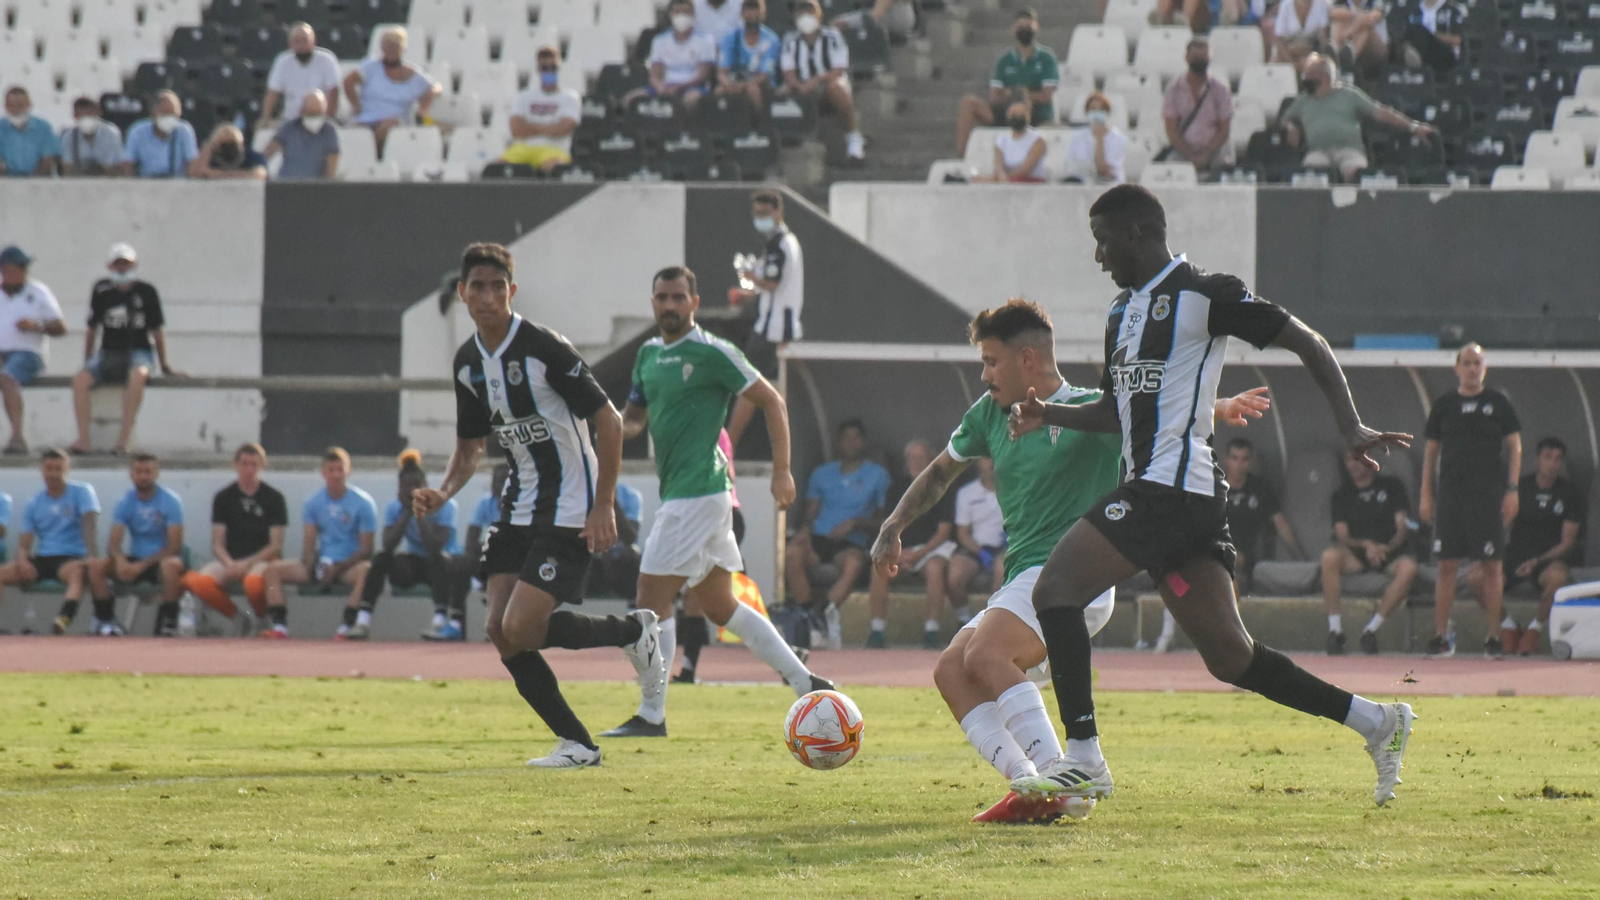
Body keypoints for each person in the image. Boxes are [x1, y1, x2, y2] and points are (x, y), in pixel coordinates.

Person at [1006, 184, 1416, 808]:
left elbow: (1308, 340)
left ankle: (1083, 758)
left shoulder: (1204, 295)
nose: (1098, 258)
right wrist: (1049, 414)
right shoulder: (1121, 313)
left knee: (1055, 591)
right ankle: (1378, 722)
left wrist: (1350, 426)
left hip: (1173, 489)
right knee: (1231, 657)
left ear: (1139, 234)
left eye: (1104, 242)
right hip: (1175, 498)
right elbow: (1117, 412)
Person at [872, 298, 1272, 823]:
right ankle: (1031, 787)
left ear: (1029, 360)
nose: (985, 374)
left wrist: (1216, 406)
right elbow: (941, 473)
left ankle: (1065, 779)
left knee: (986, 655)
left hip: (1073, 578)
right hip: (1025, 578)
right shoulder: (988, 414)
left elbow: (1154, 411)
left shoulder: (1093, 410)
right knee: (951, 669)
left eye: (992, 361)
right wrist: (893, 524)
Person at [411, 242, 664, 770]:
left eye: (496, 287)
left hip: (570, 507)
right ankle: (579, 744)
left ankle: (633, 631)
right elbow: (471, 446)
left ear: (512, 292)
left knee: (523, 628)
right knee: (500, 632)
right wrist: (444, 490)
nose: (486, 296)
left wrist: (603, 506)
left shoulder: (544, 347)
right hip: (517, 506)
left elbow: (610, 422)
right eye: (476, 287)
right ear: (462, 293)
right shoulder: (467, 365)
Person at [600, 265, 831, 739]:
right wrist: (609, 429)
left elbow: (772, 400)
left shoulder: (712, 352)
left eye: (678, 297)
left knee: (649, 601)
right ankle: (804, 679)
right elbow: (636, 418)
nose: (669, 305)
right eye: (661, 297)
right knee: (721, 604)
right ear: (653, 303)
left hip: (699, 494)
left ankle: (651, 714)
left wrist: (782, 469)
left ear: (694, 302)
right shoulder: (646, 354)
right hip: (687, 495)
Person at [1419, 342, 1521, 657]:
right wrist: (1426, 494)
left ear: (1484, 367)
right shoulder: (1445, 405)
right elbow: (1431, 451)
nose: (1472, 369)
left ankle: (1493, 637)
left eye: (1477, 363)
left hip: (1487, 498)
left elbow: (1515, 446)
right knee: (1447, 565)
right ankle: (1441, 636)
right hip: (1451, 496)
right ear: (1457, 368)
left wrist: (1512, 489)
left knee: (1491, 566)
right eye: (1467, 363)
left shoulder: (1498, 402)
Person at [69, 243, 183, 456]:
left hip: (138, 349)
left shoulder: (146, 291)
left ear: (134, 265)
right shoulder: (102, 290)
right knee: (80, 380)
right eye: (118, 263)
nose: (122, 268)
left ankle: (123, 440)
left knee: (137, 376)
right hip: (109, 350)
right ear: (110, 266)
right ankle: (84, 439)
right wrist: (87, 359)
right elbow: (92, 328)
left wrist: (164, 363)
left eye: (126, 263)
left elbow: (157, 329)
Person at [786, 419, 890, 648]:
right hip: (820, 537)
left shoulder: (877, 475)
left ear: (863, 442)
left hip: (850, 541)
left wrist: (855, 522)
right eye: (846, 438)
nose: (851, 443)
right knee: (792, 553)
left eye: (856, 438)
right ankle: (807, 616)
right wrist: (804, 530)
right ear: (838, 443)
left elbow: (885, 518)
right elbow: (811, 511)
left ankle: (822, 614)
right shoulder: (822, 474)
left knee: (853, 564)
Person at [259, 447, 377, 640]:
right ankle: (280, 627)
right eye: (331, 470)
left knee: (367, 570)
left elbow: (366, 548)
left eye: (340, 469)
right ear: (323, 472)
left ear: (349, 471)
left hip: (349, 566)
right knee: (271, 570)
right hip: (322, 563)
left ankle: (346, 628)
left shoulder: (363, 503)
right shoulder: (313, 502)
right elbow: (309, 542)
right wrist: (312, 566)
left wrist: (338, 569)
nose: (336, 475)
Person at [180, 443, 288, 630]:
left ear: (262, 466)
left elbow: (275, 544)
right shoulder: (223, 497)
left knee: (253, 583)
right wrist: (229, 563)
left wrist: (247, 564)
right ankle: (239, 618)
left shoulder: (274, 498)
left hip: (261, 560)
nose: (249, 469)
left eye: (254, 464)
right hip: (230, 559)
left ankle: (262, 620)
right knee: (198, 582)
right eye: (244, 464)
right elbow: (217, 542)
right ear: (235, 465)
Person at [1493, 437, 1585, 656]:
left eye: (1557, 459)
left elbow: (1567, 542)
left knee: (1558, 579)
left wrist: (1537, 561)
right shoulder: (1519, 488)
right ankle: (1508, 625)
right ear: (1537, 459)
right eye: (1547, 457)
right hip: (1515, 555)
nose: (1552, 463)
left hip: (1547, 559)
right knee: (1477, 577)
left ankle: (1534, 630)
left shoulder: (1569, 493)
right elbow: (1502, 524)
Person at [0, 450, 107, 634]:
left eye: (58, 468)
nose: (53, 474)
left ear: (66, 469)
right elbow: (25, 540)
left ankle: (64, 618)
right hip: (43, 557)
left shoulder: (82, 492)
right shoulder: (35, 501)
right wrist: (23, 560)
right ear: (42, 470)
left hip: (70, 557)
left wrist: (92, 555)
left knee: (77, 574)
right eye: (49, 468)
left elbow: (89, 525)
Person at [865, 438, 958, 649]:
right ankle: (877, 630)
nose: (915, 461)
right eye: (911, 457)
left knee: (935, 568)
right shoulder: (895, 487)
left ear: (931, 459)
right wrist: (898, 552)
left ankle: (931, 631)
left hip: (931, 549)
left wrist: (920, 553)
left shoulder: (943, 485)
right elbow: (888, 525)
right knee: (877, 568)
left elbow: (944, 531)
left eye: (920, 457)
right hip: (901, 549)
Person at [1284, 54, 1435, 182]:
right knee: (1310, 176)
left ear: (1326, 77)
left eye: (1311, 76)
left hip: (1349, 151)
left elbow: (1381, 113)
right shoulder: (1303, 100)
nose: (1306, 79)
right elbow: (1286, 118)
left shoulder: (1350, 95)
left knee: (1356, 174)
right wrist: (1291, 127)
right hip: (1318, 151)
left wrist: (1413, 127)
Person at [1321, 454, 1417, 655]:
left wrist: (1386, 548)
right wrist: (1366, 545)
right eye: (1348, 460)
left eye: (1358, 459)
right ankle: (1335, 631)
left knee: (1409, 568)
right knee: (1329, 557)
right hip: (1358, 554)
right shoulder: (1341, 494)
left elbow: (1403, 527)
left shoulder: (1392, 486)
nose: (1353, 465)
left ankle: (1371, 630)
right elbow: (1342, 535)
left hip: (1390, 551)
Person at [360, 449, 457, 640]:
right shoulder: (394, 507)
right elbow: (388, 545)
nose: (413, 491)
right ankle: (362, 620)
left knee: (438, 560)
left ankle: (439, 618)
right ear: (399, 489)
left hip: (443, 566)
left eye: (417, 485)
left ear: (427, 486)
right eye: (407, 486)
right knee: (381, 558)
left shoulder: (445, 505)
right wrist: (406, 512)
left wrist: (420, 513)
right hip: (413, 565)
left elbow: (435, 546)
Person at [89, 452, 187, 636]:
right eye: (138, 471)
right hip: (134, 559)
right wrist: (120, 561)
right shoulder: (125, 502)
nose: (143, 476)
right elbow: (113, 544)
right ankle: (107, 620)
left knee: (171, 566)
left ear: (157, 474)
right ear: (131, 474)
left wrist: (141, 566)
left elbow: (174, 546)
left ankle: (170, 623)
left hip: (159, 561)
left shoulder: (171, 501)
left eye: (147, 472)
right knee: (96, 566)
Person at [954, 9, 1059, 156]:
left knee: (1023, 100)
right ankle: (961, 156)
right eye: (1020, 27)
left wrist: (1023, 95)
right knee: (968, 103)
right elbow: (994, 96)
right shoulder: (1005, 60)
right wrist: (1011, 96)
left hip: (1037, 113)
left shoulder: (1047, 58)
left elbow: (1046, 95)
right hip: (1006, 111)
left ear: (1037, 29)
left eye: (1028, 26)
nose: (1024, 30)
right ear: (1013, 30)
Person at [0, 245, 67, 456]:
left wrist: (36, 327)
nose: (22, 271)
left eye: (23, 267)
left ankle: (17, 436)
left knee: (7, 377)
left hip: (28, 353)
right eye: (17, 267)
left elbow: (61, 328)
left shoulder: (38, 292)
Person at [435, 462, 512, 641]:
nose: (498, 487)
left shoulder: (525, 505)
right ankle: (455, 623)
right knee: (461, 564)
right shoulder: (486, 503)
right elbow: (471, 541)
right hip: (493, 556)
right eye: (496, 481)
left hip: (518, 562)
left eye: (504, 481)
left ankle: (499, 622)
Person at [781, 0, 866, 161]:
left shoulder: (832, 36)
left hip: (827, 84)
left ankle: (853, 137)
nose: (806, 17)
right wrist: (798, 85)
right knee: (782, 92)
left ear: (819, 16)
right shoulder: (790, 39)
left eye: (810, 13)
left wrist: (816, 80)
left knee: (837, 87)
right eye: (802, 13)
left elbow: (839, 69)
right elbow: (788, 71)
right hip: (801, 86)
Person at [1222, 437, 1304, 596]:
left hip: (1248, 555)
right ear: (1226, 461)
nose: (1239, 465)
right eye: (1235, 458)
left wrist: (1299, 557)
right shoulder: (1215, 488)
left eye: (1244, 459)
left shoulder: (1260, 488)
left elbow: (1280, 523)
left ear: (1250, 463)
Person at [343, 26, 442, 149]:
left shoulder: (412, 74)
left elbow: (434, 87)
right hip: (366, 119)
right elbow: (348, 81)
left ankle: (368, 147)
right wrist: (355, 105)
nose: (390, 49)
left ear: (402, 47)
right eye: (387, 45)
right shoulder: (371, 67)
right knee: (353, 131)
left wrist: (424, 107)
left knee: (389, 126)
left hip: (394, 124)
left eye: (394, 45)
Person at [1162, 37, 1235, 177]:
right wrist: (1191, 155)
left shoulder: (1220, 89)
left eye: (1203, 58)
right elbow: (1171, 129)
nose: (1200, 62)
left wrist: (1206, 154)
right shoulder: (1174, 89)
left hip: (1215, 150)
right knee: (1170, 171)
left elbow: (1224, 129)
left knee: (1225, 166)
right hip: (1183, 151)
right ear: (1186, 58)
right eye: (1196, 57)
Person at [502, 46, 581, 173]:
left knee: (554, 168)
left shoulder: (570, 97)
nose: (549, 72)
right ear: (538, 69)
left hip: (554, 149)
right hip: (523, 148)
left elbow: (565, 128)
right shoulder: (524, 96)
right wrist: (550, 127)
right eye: (545, 68)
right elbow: (516, 129)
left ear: (559, 68)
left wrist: (531, 127)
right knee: (497, 169)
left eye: (553, 68)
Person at [633, 0, 720, 112]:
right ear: (670, 14)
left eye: (686, 12)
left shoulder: (706, 41)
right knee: (633, 99)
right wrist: (661, 87)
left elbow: (703, 75)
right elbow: (655, 74)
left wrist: (679, 87)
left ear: (693, 15)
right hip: (666, 85)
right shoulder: (660, 40)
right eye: (677, 12)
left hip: (692, 87)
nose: (681, 16)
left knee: (691, 100)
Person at [261, 22, 343, 132]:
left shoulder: (327, 60)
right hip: (290, 120)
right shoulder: (283, 61)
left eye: (304, 40)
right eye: (296, 41)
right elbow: (273, 92)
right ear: (290, 43)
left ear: (313, 41)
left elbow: (334, 92)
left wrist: (328, 120)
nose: (301, 45)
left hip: (320, 119)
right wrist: (266, 118)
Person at [949, 457, 1007, 608]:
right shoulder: (966, 492)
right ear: (978, 462)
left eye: (995, 456)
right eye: (987, 458)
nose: (992, 462)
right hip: (976, 547)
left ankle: (993, 622)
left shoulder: (1016, 489)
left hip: (1006, 546)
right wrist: (981, 553)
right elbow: (963, 533)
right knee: (954, 577)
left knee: (1002, 572)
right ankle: (964, 619)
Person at [718, 0, 783, 115]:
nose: (752, 14)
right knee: (719, 91)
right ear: (742, 14)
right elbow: (722, 72)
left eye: (756, 9)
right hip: (735, 81)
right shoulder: (730, 38)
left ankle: (758, 125)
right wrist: (728, 84)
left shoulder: (771, 39)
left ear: (763, 14)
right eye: (748, 9)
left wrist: (744, 85)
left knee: (752, 90)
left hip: (762, 84)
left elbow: (765, 75)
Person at [117, 91, 199, 178]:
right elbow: (128, 164)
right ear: (153, 113)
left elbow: (192, 164)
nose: (169, 118)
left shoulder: (184, 131)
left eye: (172, 114)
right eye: (164, 114)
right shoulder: (137, 131)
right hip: (146, 184)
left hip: (177, 184)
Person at [264, 90, 340, 180]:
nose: (314, 119)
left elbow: (332, 164)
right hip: (286, 185)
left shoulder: (328, 132)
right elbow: (267, 153)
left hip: (315, 188)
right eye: (311, 114)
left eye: (317, 114)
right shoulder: (289, 128)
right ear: (302, 111)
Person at [1064, 92, 1127, 185]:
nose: (1097, 112)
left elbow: (1105, 171)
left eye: (1101, 109)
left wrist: (1099, 139)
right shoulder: (1077, 136)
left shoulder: (1119, 138)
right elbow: (1072, 166)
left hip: (1110, 185)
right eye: (1093, 109)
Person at [981, 100, 1048, 183]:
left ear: (1028, 116)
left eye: (1021, 115)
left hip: (1030, 181)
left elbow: (1026, 169)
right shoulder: (1001, 140)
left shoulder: (1037, 139)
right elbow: (998, 166)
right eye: (1014, 115)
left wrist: (1006, 178)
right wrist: (1001, 176)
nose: (1017, 118)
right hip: (1006, 179)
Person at [0, 86, 60, 177]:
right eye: (12, 105)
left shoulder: (43, 127)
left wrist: (32, 182)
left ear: (29, 104)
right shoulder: (1, 127)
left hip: (39, 181)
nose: (17, 109)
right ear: (6, 106)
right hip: (7, 181)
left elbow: (48, 159)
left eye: (20, 105)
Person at [58, 96, 124, 176]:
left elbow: (117, 166)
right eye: (82, 115)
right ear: (75, 116)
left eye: (90, 114)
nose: (86, 118)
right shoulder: (69, 136)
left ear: (99, 113)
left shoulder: (111, 133)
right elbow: (67, 168)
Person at [1400, 0, 1465, 73]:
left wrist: (1432, 35)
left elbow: (1458, 40)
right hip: (1419, 50)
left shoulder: (1452, 9)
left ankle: (1417, 67)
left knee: (1420, 31)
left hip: (1445, 55)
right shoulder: (1413, 10)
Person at [188, 124, 268, 180]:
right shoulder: (209, 156)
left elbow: (258, 175)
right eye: (224, 144)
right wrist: (209, 147)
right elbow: (195, 173)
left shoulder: (253, 157)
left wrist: (212, 174)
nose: (229, 149)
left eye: (233, 144)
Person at [1329, 0, 1388, 76]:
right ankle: (1338, 56)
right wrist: (1354, 14)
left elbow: (1372, 17)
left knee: (1366, 28)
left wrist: (1349, 33)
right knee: (1339, 21)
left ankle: (1348, 59)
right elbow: (1332, 12)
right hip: (1354, 39)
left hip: (1376, 47)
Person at [1273, 0, 1331, 65]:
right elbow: (1279, 38)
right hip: (1290, 50)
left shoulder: (1322, 4)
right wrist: (1289, 59)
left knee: (1309, 61)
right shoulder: (1286, 4)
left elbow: (1323, 38)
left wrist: (1307, 50)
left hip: (1313, 49)